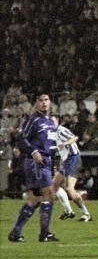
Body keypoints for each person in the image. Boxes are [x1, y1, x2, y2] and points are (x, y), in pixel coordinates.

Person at [7, 93, 59, 242]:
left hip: (47, 161)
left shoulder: (50, 122)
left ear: (50, 103)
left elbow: (53, 145)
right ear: (36, 103)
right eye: (41, 100)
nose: (44, 103)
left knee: (34, 199)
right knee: (49, 195)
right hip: (37, 162)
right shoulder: (34, 120)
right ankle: (44, 234)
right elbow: (21, 138)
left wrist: (55, 164)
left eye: (46, 100)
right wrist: (34, 151)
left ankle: (16, 232)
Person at [53, 118, 92, 221]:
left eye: (53, 121)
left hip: (73, 159)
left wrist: (65, 144)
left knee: (70, 188)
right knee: (55, 185)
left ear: (57, 121)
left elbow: (75, 138)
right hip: (66, 161)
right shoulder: (53, 133)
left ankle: (86, 213)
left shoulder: (61, 130)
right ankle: (68, 211)